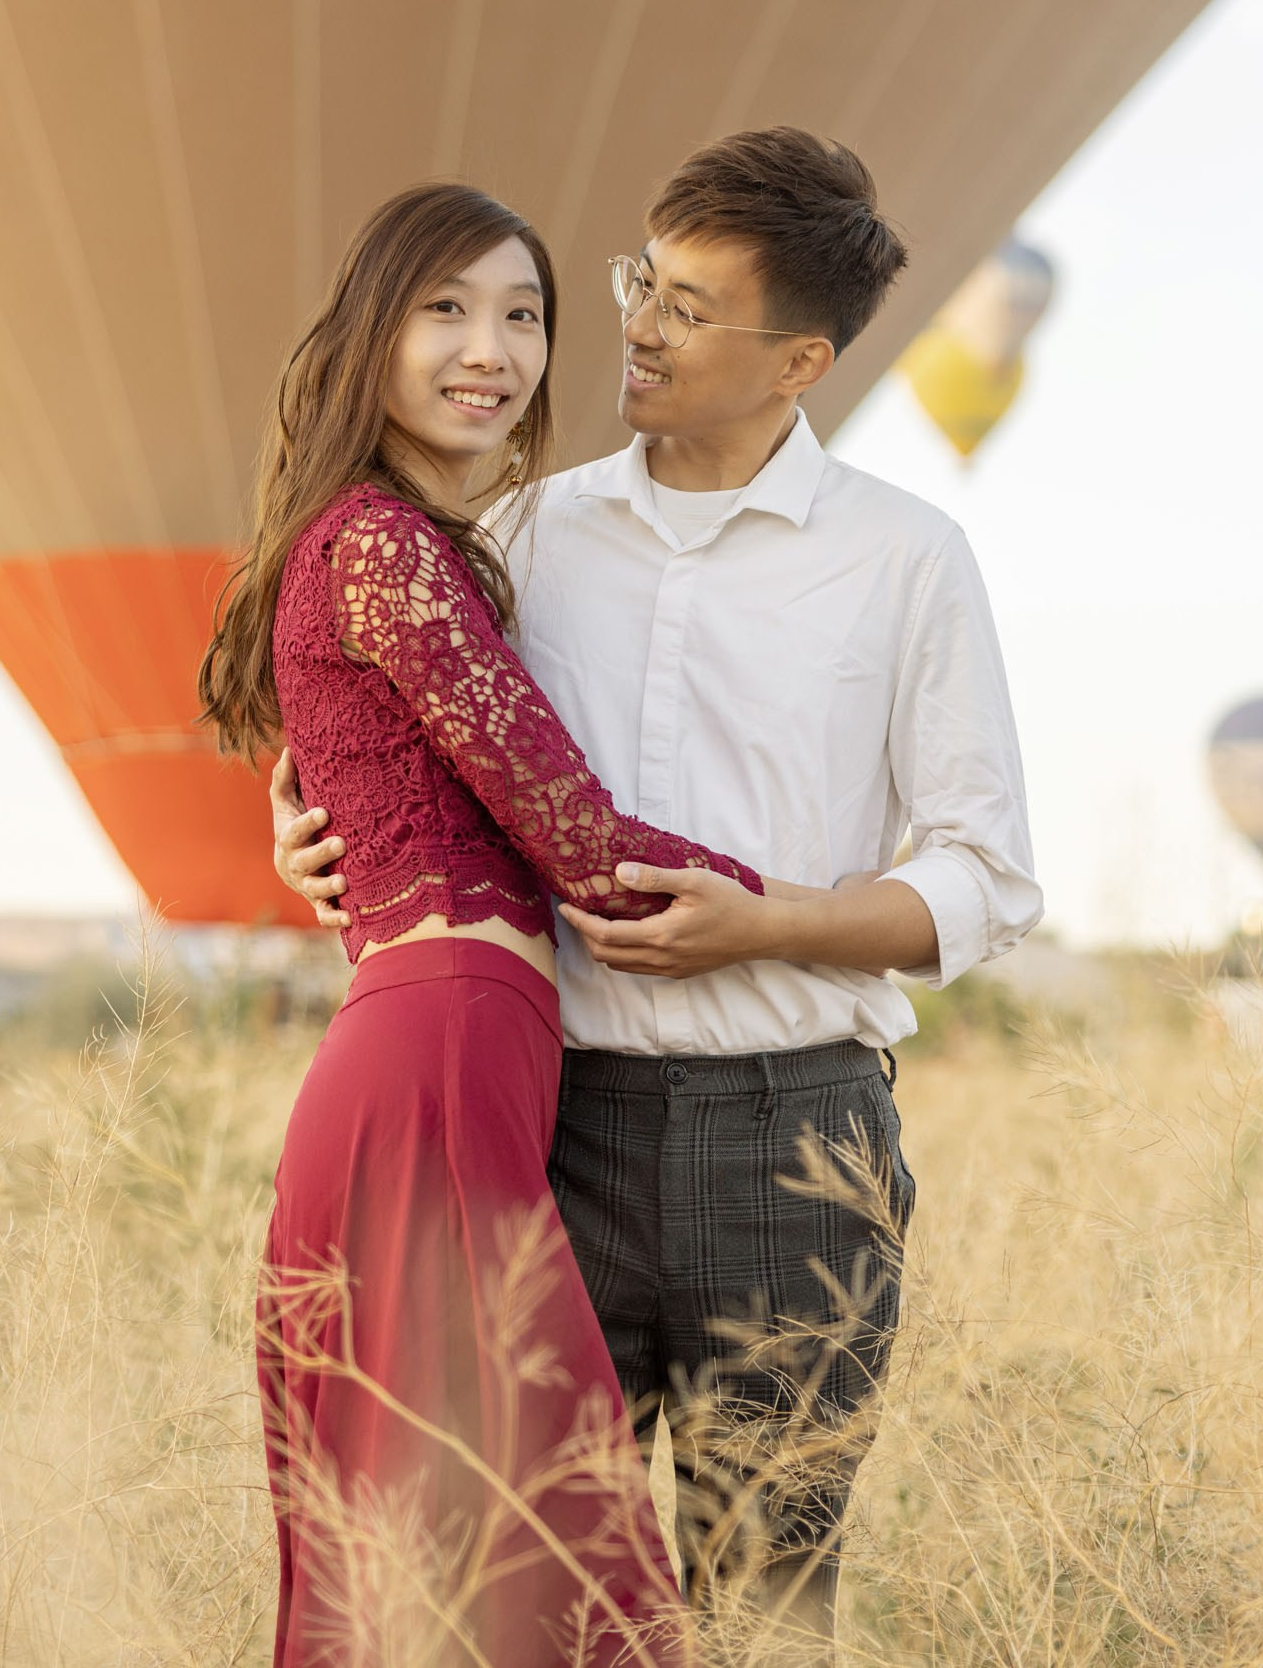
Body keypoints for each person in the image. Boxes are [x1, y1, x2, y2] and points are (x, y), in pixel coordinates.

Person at [275, 128, 1041, 1636]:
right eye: (641, 281)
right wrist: (306, 827)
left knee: (767, 1599)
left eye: (691, 307)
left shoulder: (905, 560)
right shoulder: (518, 530)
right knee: (523, 1600)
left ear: (796, 359)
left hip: (795, 1144)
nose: (636, 323)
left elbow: (984, 880)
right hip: (553, 1133)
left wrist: (772, 925)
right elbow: (362, 698)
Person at [200, 180, 781, 1668]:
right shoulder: (386, 548)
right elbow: (576, 837)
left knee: (443, 1558)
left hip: (438, 1061)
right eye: (446, 308)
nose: (493, 348)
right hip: (439, 1065)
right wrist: (814, 904)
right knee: (534, 1552)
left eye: (523, 315)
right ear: (369, 337)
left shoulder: (398, 545)